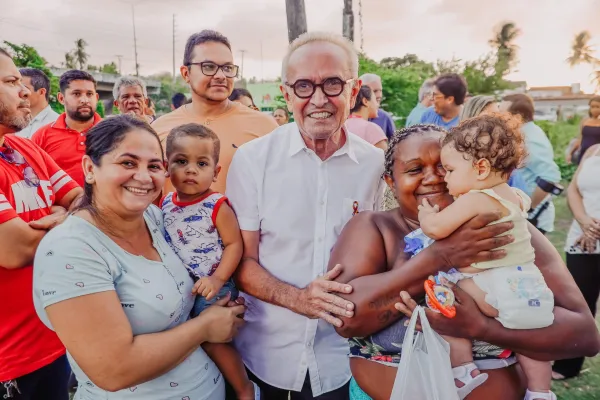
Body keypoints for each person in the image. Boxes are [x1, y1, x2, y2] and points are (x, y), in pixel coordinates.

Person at [327, 124, 600, 400]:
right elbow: (345, 319)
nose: (434, 178)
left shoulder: (502, 226)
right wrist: (439, 257)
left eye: (446, 167)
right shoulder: (373, 227)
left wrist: (480, 328)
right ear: (390, 181)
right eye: (414, 169)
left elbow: (584, 335)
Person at [32, 114, 246, 399]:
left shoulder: (156, 218)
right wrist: (206, 327)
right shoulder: (69, 251)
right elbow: (113, 370)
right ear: (89, 168)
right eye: (128, 163)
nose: (144, 177)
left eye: (154, 166)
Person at [226, 31, 385, 399]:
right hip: (268, 357)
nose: (318, 100)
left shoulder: (375, 165)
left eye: (332, 84)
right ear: (286, 93)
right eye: (303, 86)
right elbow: (242, 261)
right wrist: (299, 300)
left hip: (346, 358)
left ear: (353, 88)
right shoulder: (253, 161)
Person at [418, 114, 555, 400]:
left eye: (450, 170)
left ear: (480, 169)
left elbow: (438, 229)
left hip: (488, 286)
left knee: (445, 298)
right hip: (528, 284)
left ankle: (463, 369)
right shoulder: (516, 196)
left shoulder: (475, 199)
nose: (445, 177)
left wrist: (427, 215)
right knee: (531, 340)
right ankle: (540, 392)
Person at [0, 48, 83, 400]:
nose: (24, 91)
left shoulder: (24, 148)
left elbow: (84, 201)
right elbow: (15, 249)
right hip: (8, 360)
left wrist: (61, 215)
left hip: (52, 339)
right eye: (10, 81)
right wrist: (65, 216)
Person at [161, 123, 259, 399]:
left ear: (216, 173)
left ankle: (243, 388)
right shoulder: (166, 203)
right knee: (188, 343)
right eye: (181, 161)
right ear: (166, 166)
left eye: (201, 163)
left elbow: (234, 244)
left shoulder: (216, 205)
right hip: (183, 289)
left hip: (213, 287)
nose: (191, 169)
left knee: (213, 341)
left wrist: (217, 279)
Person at [152, 30, 277, 195]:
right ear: (186, 73)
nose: (221, 76)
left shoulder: (265, 128)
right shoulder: (158, 130)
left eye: (227, 68)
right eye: (209, 67)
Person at [554, 143, 600, 380]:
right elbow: (573, 190)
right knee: (578, 301)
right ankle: (569, 364)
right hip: (581, 238)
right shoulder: (593, 151)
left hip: (593, 233)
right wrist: (584, 222)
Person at [501, 94, 561, 235]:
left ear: (518, 116)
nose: (498, 116)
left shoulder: (529, 138)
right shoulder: (522, 133)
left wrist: (529, 209)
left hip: (533, 219)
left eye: (502, 112)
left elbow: (550, 177)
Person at [31, 70, 101, 187]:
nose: (84, 100)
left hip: (106, 205)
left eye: (89, 94)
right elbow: (32, 179)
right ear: (61, 98)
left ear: (96, 97)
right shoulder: (42, 136)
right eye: (77, 94)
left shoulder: (113, 133)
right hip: (60, 205)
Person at [459, 95, 527, 192]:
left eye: (498, 117)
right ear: (469, 121)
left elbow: (520, 201)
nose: (496, 123)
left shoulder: (505, 162)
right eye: (488, 118)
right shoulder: (455, 158)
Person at [16, 68, 59, 139]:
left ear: (41, 92)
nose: (20, 93)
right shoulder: (12, 121)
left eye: (24, 88)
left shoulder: (57, 123)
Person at [346, 85, 387, 150]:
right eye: (375, 100)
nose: (378, 105)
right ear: (365, 101)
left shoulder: (341, 127)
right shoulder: (372, 129)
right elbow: (386, 158)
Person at [360, 73, 395, 139]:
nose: (379, 95)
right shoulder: (346, 118)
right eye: (375, 91)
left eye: (380, 90)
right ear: (361, 92)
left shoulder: (385, 118)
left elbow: (395, 145)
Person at [566, 96, 600, 164]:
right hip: (583, 153)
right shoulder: (585, 121)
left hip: (597, 155)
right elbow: (580, 139)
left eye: (597, 107)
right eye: (592, 107)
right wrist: (570, 153)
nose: (594, 109)